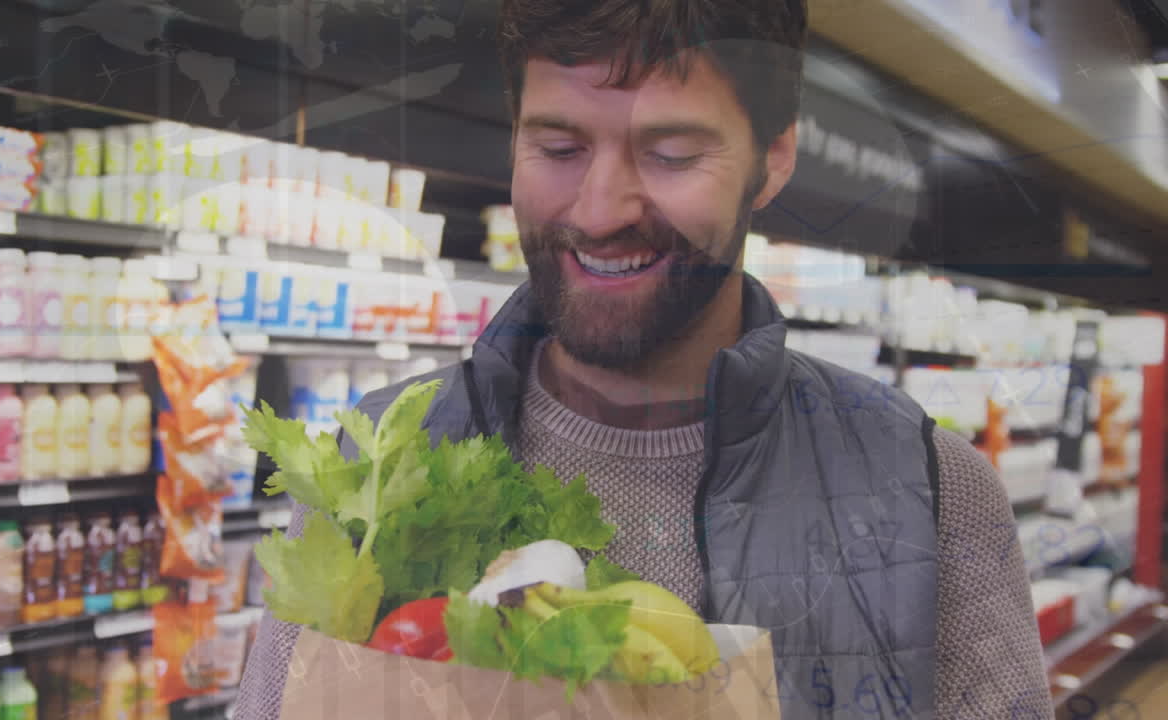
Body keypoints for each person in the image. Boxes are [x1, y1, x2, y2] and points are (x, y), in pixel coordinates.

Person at [236, 1, 1051, 717]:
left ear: (773, 159)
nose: (599, 211)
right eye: (558, 147)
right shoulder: (374, 466)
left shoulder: (930, 493)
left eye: (671, 154)